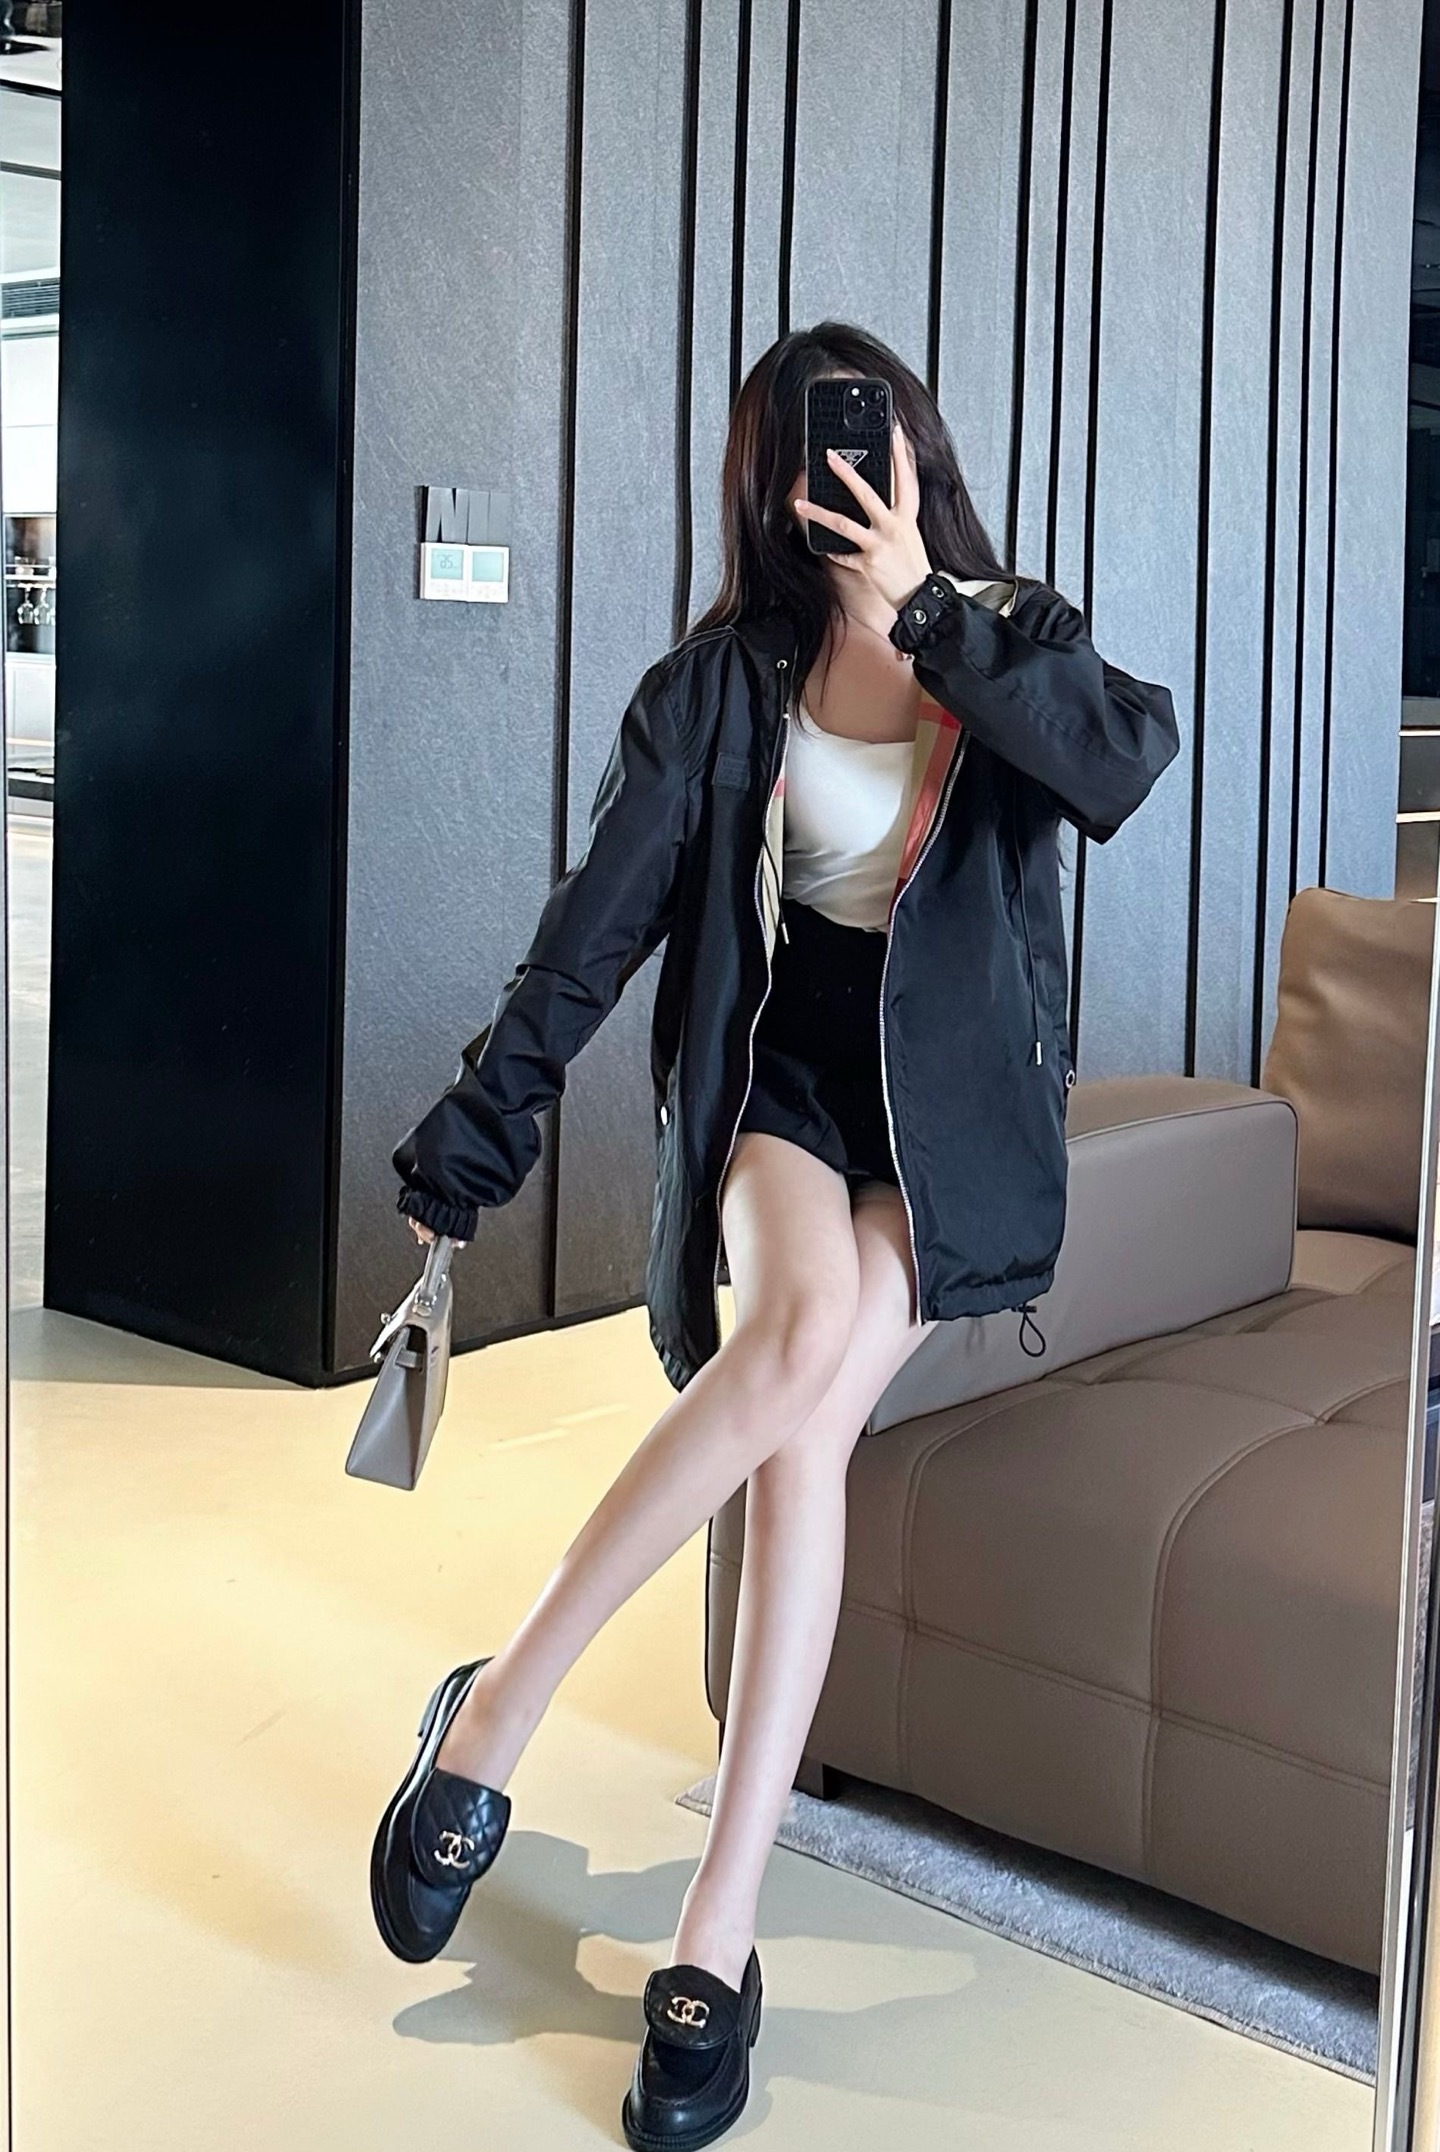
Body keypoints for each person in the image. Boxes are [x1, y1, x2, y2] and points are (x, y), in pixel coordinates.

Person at [370, 321, 1180, 2151]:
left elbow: (1122, 765)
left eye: (879, 447)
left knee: (802, 1430)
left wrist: (932, 616)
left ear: (921, 460)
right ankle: (606, 1826)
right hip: (780, 1084)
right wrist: (484, 1128)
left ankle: (601, 1815)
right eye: (815, 454)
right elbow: (596, 930)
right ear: (765, 482)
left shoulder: (1009, 636)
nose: (851, 478)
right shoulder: (720, 688)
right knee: (798, 1345)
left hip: (943, 1122)